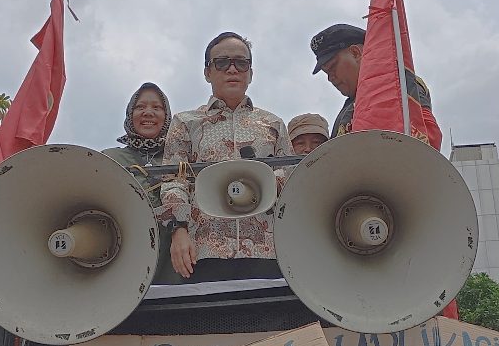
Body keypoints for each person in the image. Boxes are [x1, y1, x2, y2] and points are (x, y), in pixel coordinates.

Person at [159, 32, 293, 282]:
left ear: (251, 73)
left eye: (241, 63)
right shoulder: (186, 123)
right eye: (222, 62)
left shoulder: (273, 124)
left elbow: (290, 181)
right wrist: (179, 230)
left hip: (267, 250)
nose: (233, 69)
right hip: (205, 249)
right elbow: (174, 181)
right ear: (207, 72)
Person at [102, 83, 179, 284]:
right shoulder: (108, 159)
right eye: (140, 107)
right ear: (130, 114)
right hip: (122, 255)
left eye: (157, 107)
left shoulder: (180, 159)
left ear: (167, 115)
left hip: (174, 263)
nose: (148, 113)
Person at [309, 24, 365, 137]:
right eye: (326, 73)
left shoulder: (397, 92)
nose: (330, 78)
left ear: (356, 53)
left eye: (332, 67)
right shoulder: (351, 106)